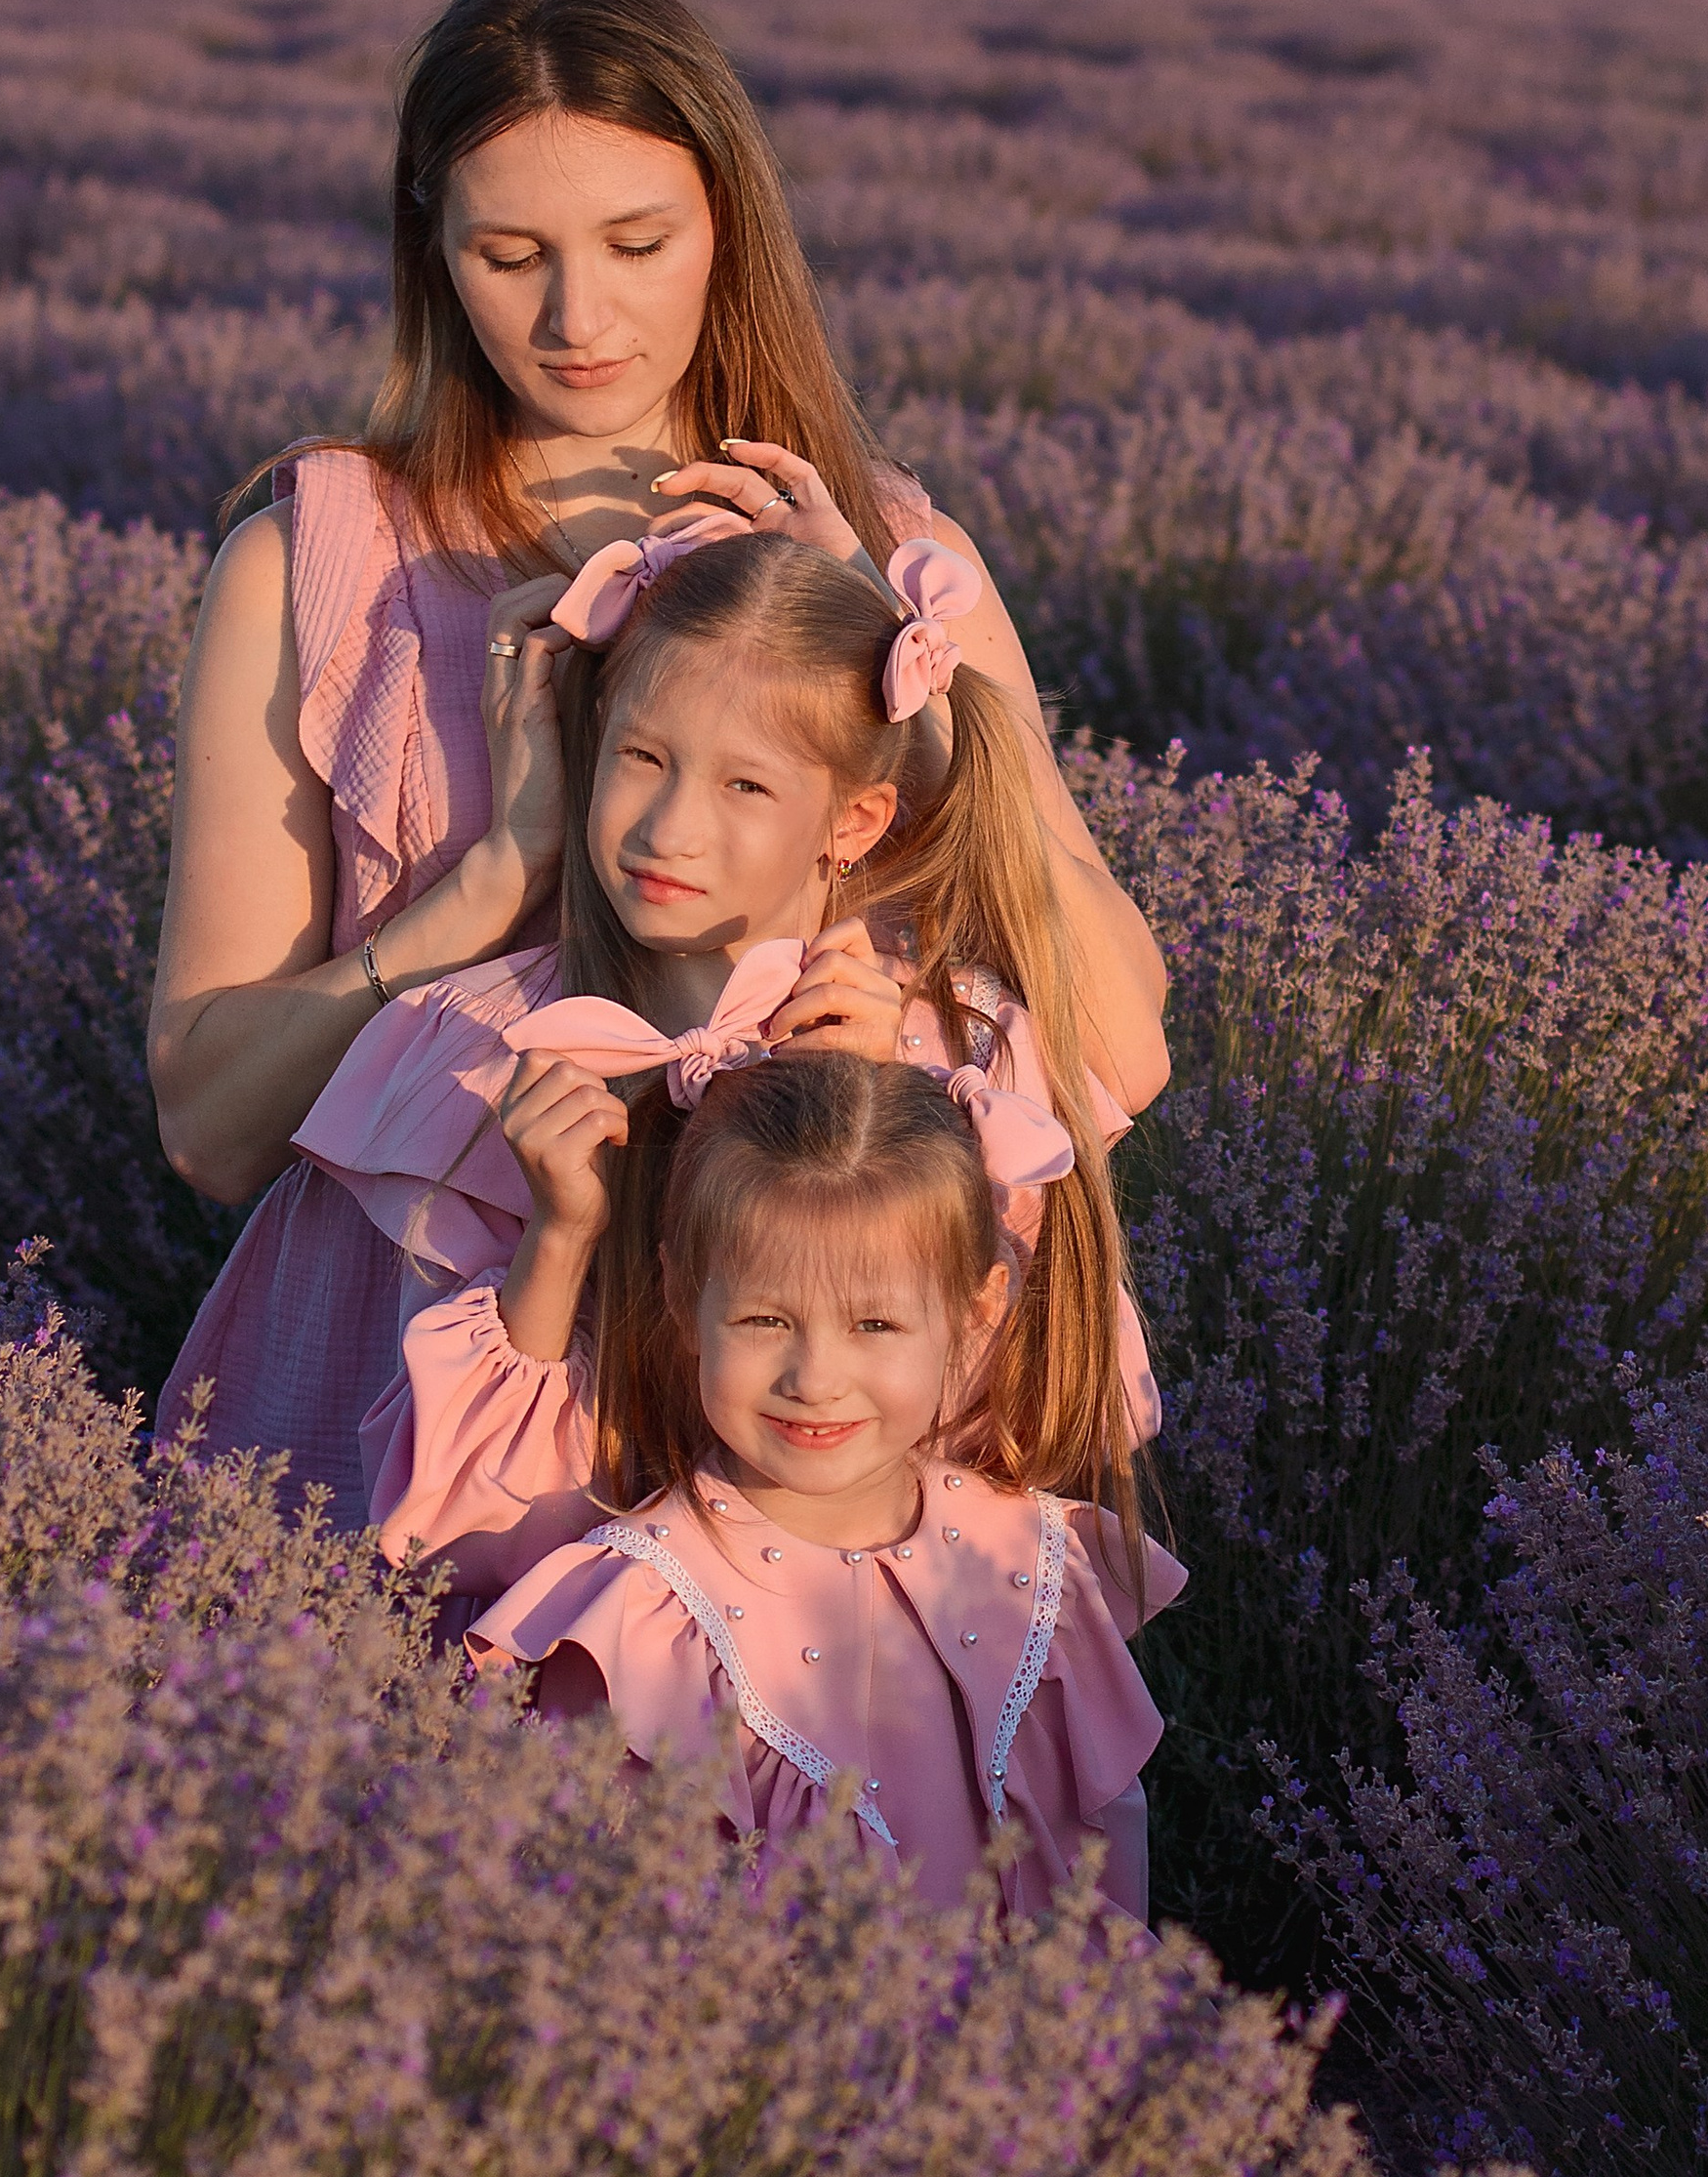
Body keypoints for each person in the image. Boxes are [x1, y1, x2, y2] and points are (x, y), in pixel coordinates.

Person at [147, 0, 1168, 1511]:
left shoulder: (892, 554)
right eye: (508, 253)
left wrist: (905, 687)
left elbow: (1118, 1040)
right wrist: (494, 884)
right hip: (435, 1397)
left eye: (638, 241)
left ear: (726, 230)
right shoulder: (317, 561)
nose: (578, 316)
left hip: (819, 1413)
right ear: (429, 249)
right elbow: (211, 1126)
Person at [299, 520, 1161, 1581]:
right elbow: (476, 1544)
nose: (669, 829)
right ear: (589, 744)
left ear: (855, 821)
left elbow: (1044, 1428)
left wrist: (888, 1125)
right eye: (642, 757)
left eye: (743, 785)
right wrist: (562, 1237)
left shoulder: (960, 1050)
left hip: (898, 1662)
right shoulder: (487, 1052)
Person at [467, 1055, 1184, 1923]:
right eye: (766, 1319)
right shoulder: (650, 1619)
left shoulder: (1033, 1564)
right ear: (682, 1295)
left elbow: (1103, 1873)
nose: (816, 1378)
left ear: (978, 1305)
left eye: (875, 1323)